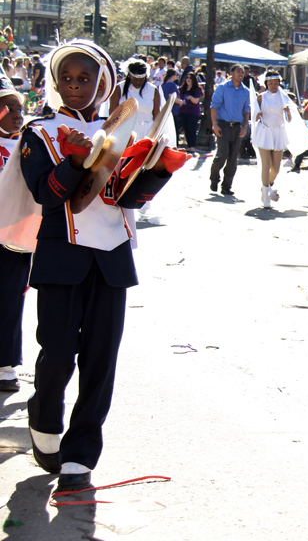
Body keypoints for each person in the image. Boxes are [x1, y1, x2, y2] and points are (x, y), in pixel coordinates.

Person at [17, 39, 187, 490]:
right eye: (67, 78)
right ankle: (44, 421)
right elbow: (46, 194)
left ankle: (81, 454)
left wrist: (159, 169)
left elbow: (127, 198)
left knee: (100, 359)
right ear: (55, 82)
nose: (75, 85)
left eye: (85, 78)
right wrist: (75, 160)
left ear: (103, 84)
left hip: (112, 257)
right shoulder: (39, 132)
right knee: (57, 354)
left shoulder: (124, 131)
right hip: (61, 255)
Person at [0, 78, 28, 393]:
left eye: (19, 108)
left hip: (13, 237)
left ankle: (5, 365)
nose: (17, 114)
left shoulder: (27, 146)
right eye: (8, 108)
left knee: (9, 299)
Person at [253, 69, 292, 208]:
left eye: (276, 83)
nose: (274, 86)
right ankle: (266, 195)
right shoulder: (261, 97)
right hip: (265, 132)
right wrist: (257, 115)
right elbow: (254, 115)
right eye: (271, 83)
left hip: (278, 133)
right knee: (266, 165)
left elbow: (289, 119)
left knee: (276, 168)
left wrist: (288, 112)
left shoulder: (284, 97)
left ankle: (267, 185)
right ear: (266, 84)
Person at [209, 64, 251, 196]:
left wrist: (245, 127)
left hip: (237, 127)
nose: (241, 74)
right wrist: (215, 125)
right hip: (223, 125)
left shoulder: (246, 91)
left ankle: (227, 186)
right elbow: (214, 106)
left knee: (233, 159)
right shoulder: (222, 88)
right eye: (238, 71)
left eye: (243, 72)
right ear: (231, 73)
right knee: (222, 154)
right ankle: (214, 178)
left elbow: (246, 111)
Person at [109, 59, 160, 140]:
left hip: (147, 131)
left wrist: (156, 134)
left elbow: (157, 115)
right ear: (129, 75)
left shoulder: (153, 89)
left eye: (141, 80)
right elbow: (113, 113)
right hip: (125, 131)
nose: (138, 82)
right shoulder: (119, 88)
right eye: (135, 79)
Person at [175, 71, 203, 151]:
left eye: (190, 78)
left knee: (192, 129)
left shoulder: (197, 89)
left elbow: (196, 101)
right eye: (187, 77)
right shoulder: (182, 88)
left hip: (193, 112)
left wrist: (190, 97)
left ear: (193, 80)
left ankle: (192, 146)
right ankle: (189, 145)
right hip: (183, 111)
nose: (188, 79)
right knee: (186, 129)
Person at [160, 68, 181, 141]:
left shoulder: (163, 85)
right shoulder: (172, 85)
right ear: (173, 75)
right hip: (172, 110)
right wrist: (181, 102)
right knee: (175, 130)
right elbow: (172, 97)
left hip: (164, 110)